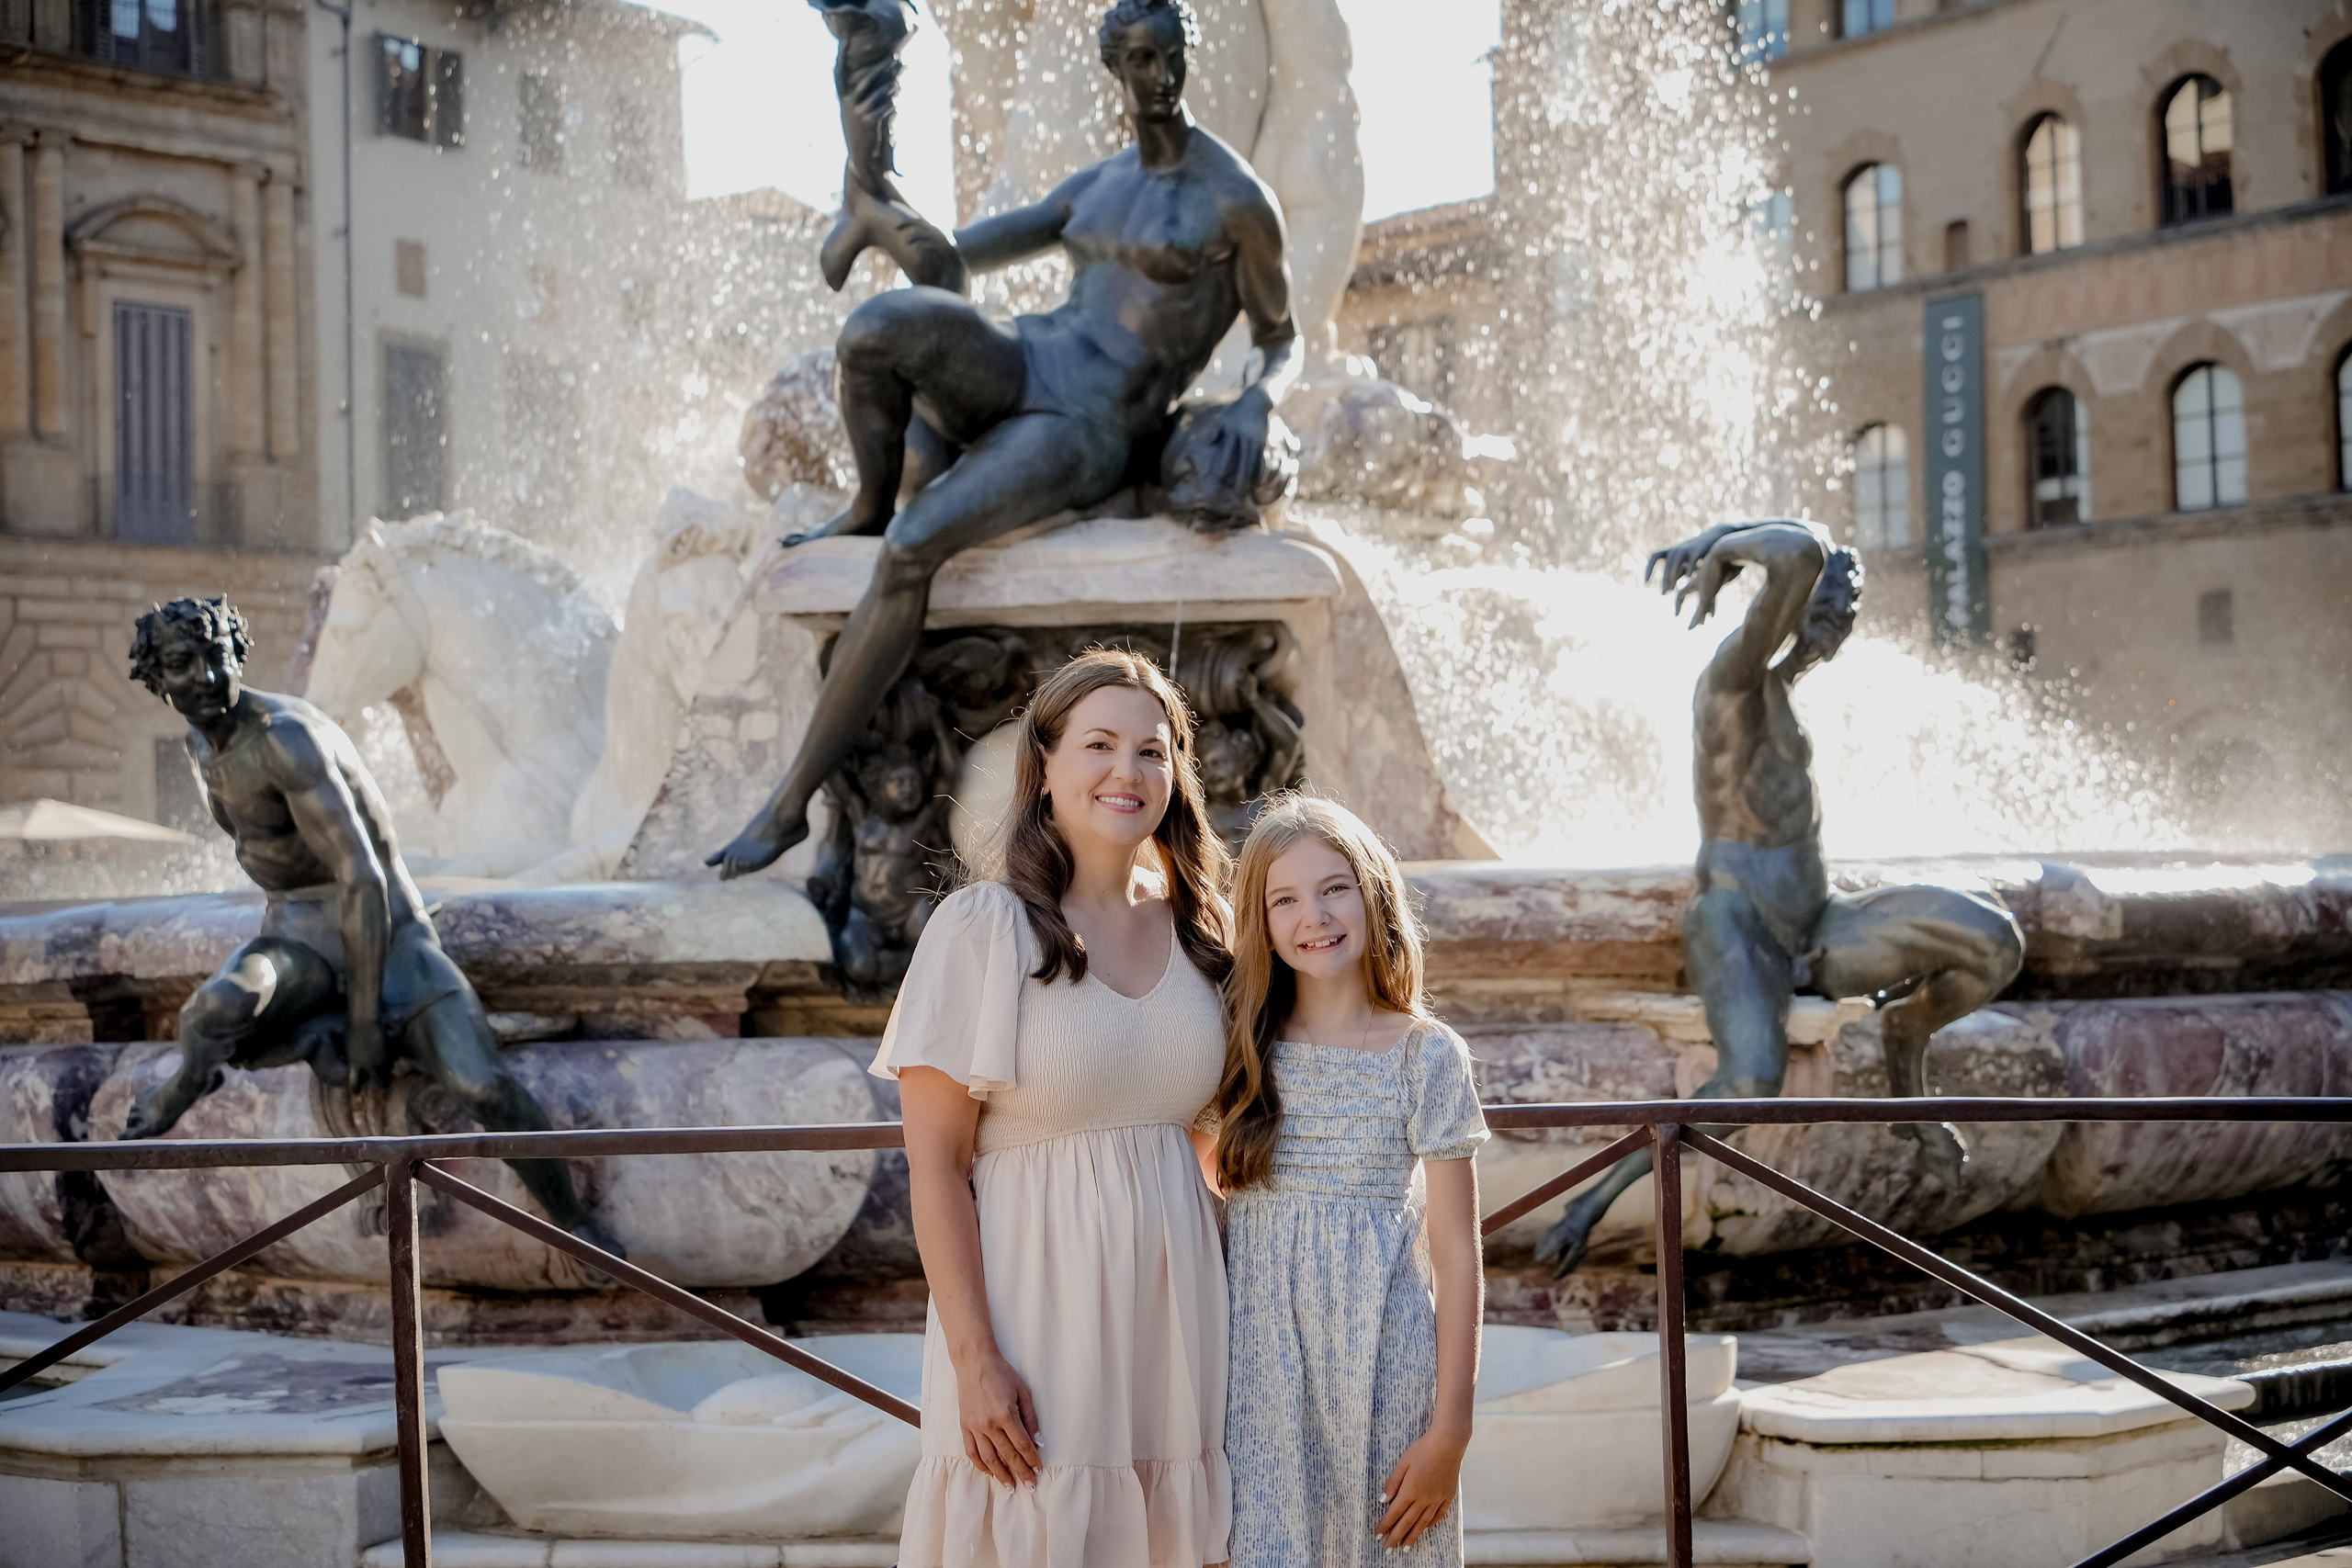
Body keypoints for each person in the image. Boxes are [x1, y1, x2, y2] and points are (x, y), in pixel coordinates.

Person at [708, 0, 1302, 881]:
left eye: (1169, 56)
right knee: (878, 327)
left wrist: (1258, 402)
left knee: (914, 548)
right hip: (1030, 358)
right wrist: (874, 173)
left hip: (1093, 424)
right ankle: (865, 502)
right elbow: (946, 265)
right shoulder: (1093, 189)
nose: (1158, 77)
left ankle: (791, 802)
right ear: (1115, 68)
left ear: (1187, 54)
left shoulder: (1235, 199)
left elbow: (1281, 336)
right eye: (1139, 59)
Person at [1536, 522, 2026, 1275]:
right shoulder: (1731, 677)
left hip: (1820, 921)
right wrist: (1719, 544)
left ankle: (1906, 1044)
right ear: (1785, 606)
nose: (1835, 629)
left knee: (1994, 939)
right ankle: (1590, 1203)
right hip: (1740, 919)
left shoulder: (1785, 689)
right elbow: (1796, 553)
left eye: (1844, 618)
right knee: (1750, 1080)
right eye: (1824, 610)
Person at [872, 649, 1237, 1567]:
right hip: (1035, 1322)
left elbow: (1215, 1145)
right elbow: (937, 1168)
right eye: (1099, 745)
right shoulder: (983, 930)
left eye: (1151, 751)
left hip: (1179, 1323)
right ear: (1046, 765)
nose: (1127, 771)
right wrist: (973, 1362)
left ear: (1175, 771)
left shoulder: (1206, 930)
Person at [119, 596, 619, 1254]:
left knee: (481, 1085)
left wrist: (362, 1027)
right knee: (207, 1014)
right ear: (158, 680)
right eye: (184, 666)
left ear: (238, 655)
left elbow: (362, 878)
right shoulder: (198, 744)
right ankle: (188, 1082)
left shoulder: (283, 737)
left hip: (392, 937)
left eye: (218, 659)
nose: (208, 679)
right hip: (298, 942)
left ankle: (574, 1221)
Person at [1213, 796, 1488, 1565]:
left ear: (1373, 892)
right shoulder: (1240, 1046)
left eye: (1334, 887)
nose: (1315, 915)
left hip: (1388, 1366)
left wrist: (1451, 1431)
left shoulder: (1426, 1055)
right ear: (1261, 920)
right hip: (1258, 1373)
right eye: (1285, 898)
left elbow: (1459, 1258)